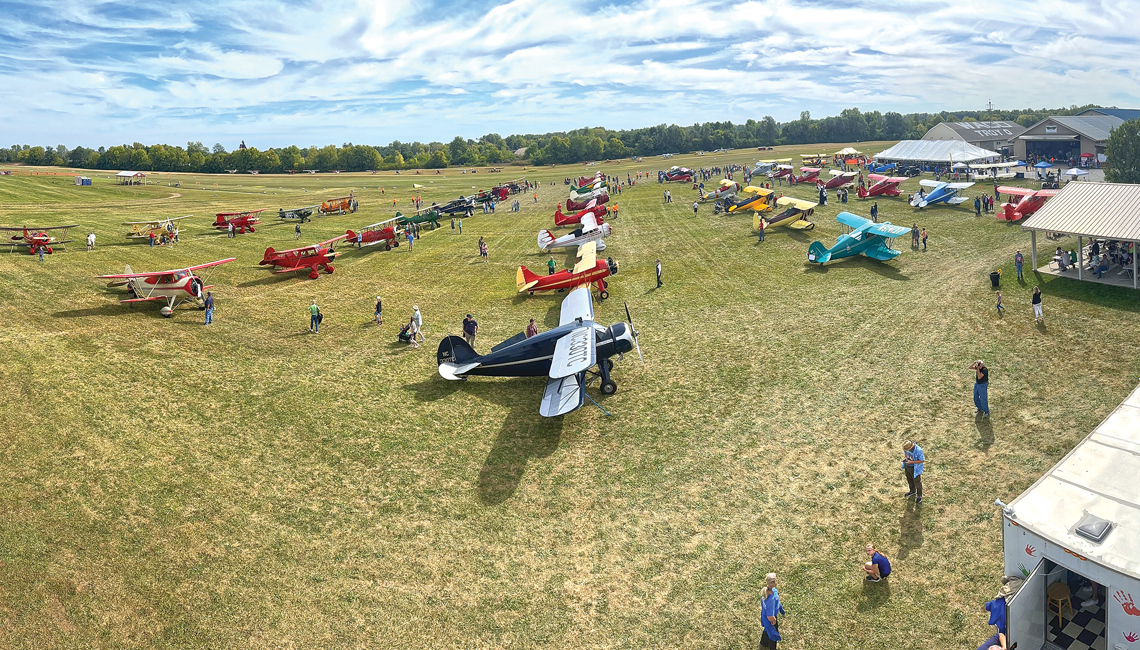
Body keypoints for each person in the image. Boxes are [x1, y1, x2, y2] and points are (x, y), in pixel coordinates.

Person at [759, 573, 784, 649]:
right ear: (773, 583)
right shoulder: (771, 600)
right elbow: (770, 616)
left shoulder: (772, 591)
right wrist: (774, 620)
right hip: (769, 619)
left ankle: (764, 643)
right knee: (773, 634)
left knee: (767, 629)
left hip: (765, 617)